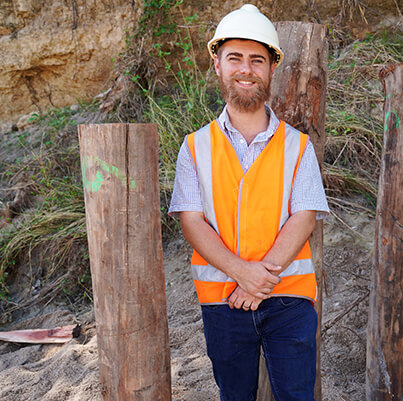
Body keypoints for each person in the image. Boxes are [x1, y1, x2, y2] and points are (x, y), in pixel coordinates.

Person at [168, 5, 329, 401]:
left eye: (257, 59)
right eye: (234, 58)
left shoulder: (298, 145)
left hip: (289, 298)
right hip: (223, 300)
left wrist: (260, 281)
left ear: (271, 69)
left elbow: (303, 217)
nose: (246, 69)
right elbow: (192, 222)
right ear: (218, 66)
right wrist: (243, 273)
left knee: (296, 395)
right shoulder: (194, 147)